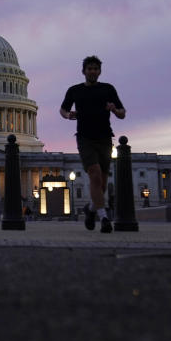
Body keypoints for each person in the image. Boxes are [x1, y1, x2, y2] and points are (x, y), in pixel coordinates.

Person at [60, 55, 125, 234]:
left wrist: (114, 109)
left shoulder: (108, 89)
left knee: (102, 185)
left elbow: (122, 113)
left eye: (95, 69)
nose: (93, 71)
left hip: (105, 138)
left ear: (99, 71)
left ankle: (90, 208)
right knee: (94, 175)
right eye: (90, 69)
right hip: (85, 138)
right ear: (84, 71)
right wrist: (68, 115)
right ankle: (104, 217)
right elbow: (63, 109)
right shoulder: (74, 90)